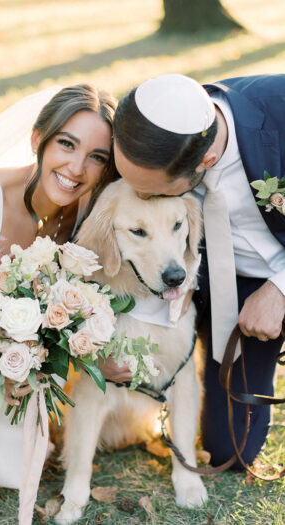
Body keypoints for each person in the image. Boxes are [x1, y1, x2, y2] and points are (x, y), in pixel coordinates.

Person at [0, 83, 118, 511]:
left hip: (21, 374)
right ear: (38, 139)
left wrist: (37, 356)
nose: (77, 168)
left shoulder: (84, 217)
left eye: (97, 157)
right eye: (66, 145)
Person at [112, 73, 285, 468]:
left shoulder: (278, 110)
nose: (141, 196)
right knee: (228, 452)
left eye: (151, 191)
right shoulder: (153, 129)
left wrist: (279, 288)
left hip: (277, 275)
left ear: (205, 161)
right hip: (219, 282)